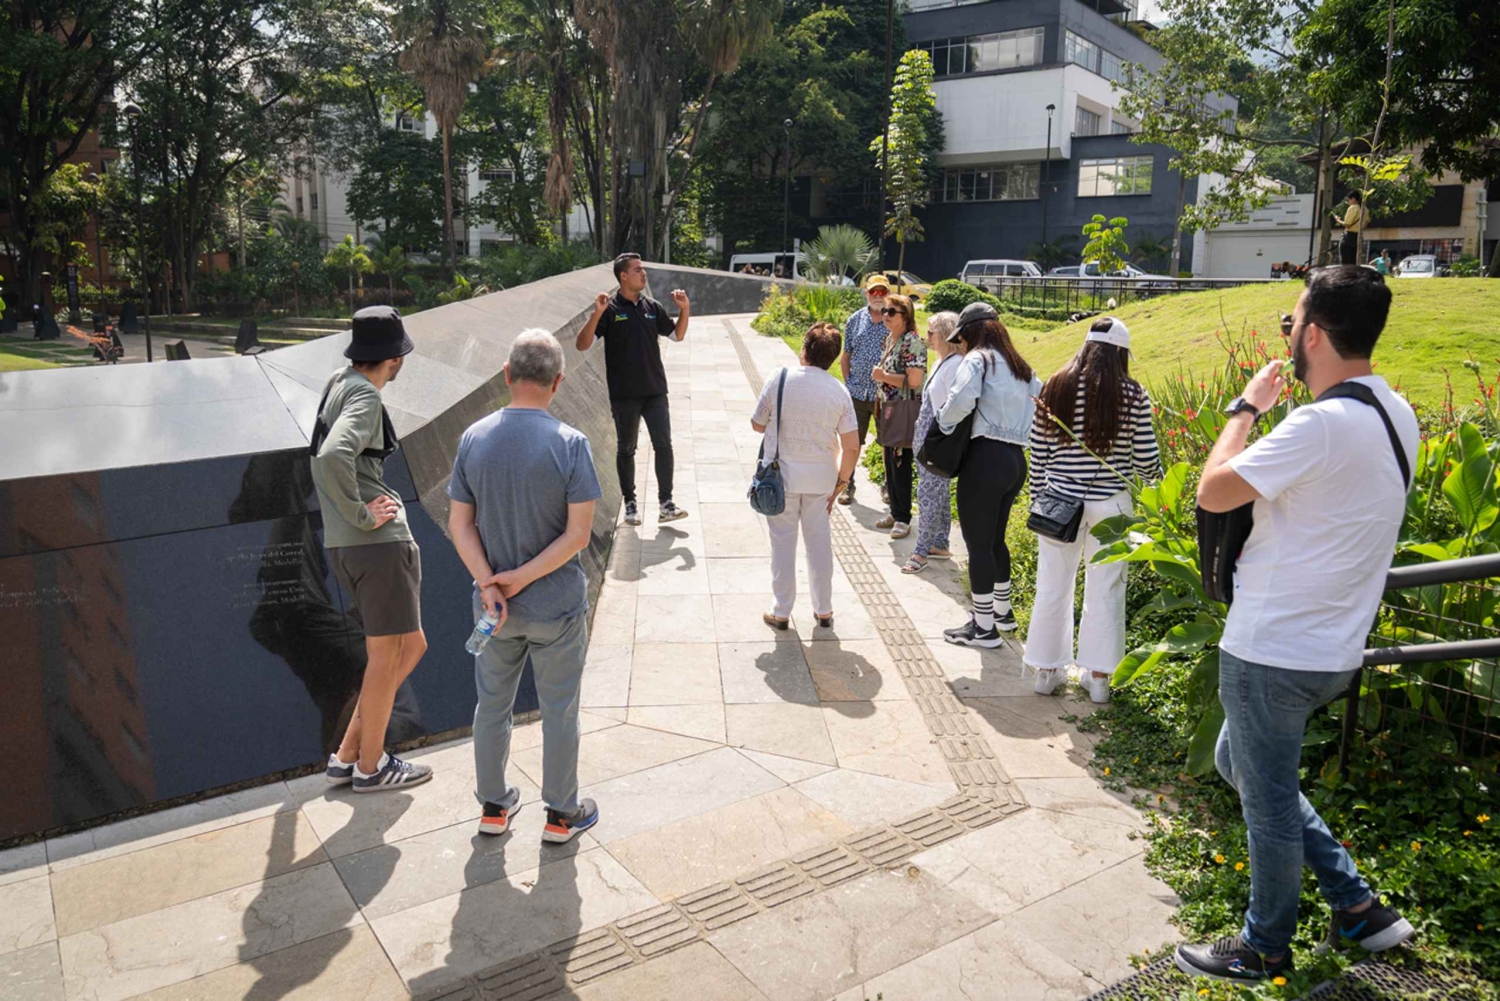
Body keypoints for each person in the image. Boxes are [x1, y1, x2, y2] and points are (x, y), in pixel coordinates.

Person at [1176, 266, 1417, 981]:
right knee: (1237, 764)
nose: (1290, 333)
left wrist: (1244, 409)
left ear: (1312, 333)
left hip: (1273, 648)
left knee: (1270, 803)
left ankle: (1264, 944)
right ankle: (1355, 905)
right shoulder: (1393, 412)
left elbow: (1212, 490)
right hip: (1333, 647)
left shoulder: (1319, 423)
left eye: (1291, 322)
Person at [447, 330, 603, 843]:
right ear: (558, 382)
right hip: (556, 607)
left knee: (491, 706)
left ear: (507, 374)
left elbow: (460, 525)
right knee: (560, 710)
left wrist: (489, 582)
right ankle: (561, 814)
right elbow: (578, 536)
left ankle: (494, 806)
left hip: (493, 610)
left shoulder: (473, 438)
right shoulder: (571, 444)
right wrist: (523, 577)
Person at [313, 305, 433, 792]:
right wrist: (363, 514)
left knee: (410, 646)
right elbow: (330, 457)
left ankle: (347, 755)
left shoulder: (339, 382)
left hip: (348, 547)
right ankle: (371, 766)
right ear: (395, 360)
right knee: (388, 658)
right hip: (376, 546)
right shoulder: (364, 397)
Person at [1024, 318, 1161, 702]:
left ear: (1086, 346)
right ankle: (1099, 678)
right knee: (1107, 589)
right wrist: (1160, 487)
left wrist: (1039, 496)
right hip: (1112, 505)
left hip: (1058, 502)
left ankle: (1046, 671)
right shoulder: (1133, 394)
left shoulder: (1056, 386)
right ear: (1121, 353)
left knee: (1052, 585)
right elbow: (1146, 457)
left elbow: (1040, 450)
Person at [937, 302, 1040, 648]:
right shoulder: (1022, 368)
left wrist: (944, 423)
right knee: (995, 540)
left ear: (973, 332)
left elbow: (960, 399)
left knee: (977, 544)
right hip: (1015, 459)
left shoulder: (978, 360)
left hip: (984, 458)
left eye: (961, 338)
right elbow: (1040, 409)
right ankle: (1003, 613)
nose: (960, 344)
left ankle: (983, 628)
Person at [752, 322, 860, 630]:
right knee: (819, 544)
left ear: (804, 350)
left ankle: (781, 610)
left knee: (783, 544)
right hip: (821, 480)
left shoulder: (779, 378)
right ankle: (823, 610)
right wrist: (841, 482)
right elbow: (852, 446)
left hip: (780, 479)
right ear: (833, 356)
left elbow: (757, 424)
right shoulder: (839, 391)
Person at [575, 253, 690, 528]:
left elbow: (677, 335)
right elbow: (582, 344)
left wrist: (684, 309)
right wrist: (597, 314)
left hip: (655, 391)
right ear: (623, 276)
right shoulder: (610, 309)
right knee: (627, 449)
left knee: (664, 445)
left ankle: (666, 504)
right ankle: (630, 505)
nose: (643, 274)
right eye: (638, 270)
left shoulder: (653, 306)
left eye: (643, 269)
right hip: (624, 394)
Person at [902, 310, 962, 574]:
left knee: (928, 494)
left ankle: (921, 550)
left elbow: (954, 405)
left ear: (947, 335)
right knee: (936, 493)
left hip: (938, 440)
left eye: (932, 333)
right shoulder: (941, 361)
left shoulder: (957, 364)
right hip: (926, 436)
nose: (927, 337)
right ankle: (940, 542)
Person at [871, 293, 926, 539]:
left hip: (903, 410)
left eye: (891, 311)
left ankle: (903, 517)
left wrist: (883, 377)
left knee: (900, 461)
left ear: (906, 316)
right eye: (884, 311)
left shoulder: (911, 341)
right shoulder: (890, 340)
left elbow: (914, 381)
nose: (885, 315)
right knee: (889, 462)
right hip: (888, 408)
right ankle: (895, 510)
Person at [837, 275, 891, 506]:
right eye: (873, 292)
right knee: (851, 443)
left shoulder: (896, 320)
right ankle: (846, 485)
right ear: (866, 294)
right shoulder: (855, 320)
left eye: (882, 292)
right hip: (857, 394)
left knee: (889, 443)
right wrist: (848, 382)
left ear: (888, 294)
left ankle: (889, 487)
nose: (877, 297)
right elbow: (846, 355)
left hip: (885, 395)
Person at [1335, 191, 1364, 266]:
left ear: (1353, 199)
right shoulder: (1364, 209)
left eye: (1348, 200)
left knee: (1346, 261)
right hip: (1358, 237)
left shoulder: (1353, 208)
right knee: (1354, 261)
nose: (1347, 202)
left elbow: (1347, 224)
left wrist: (1338, 220)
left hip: (1349, 237)